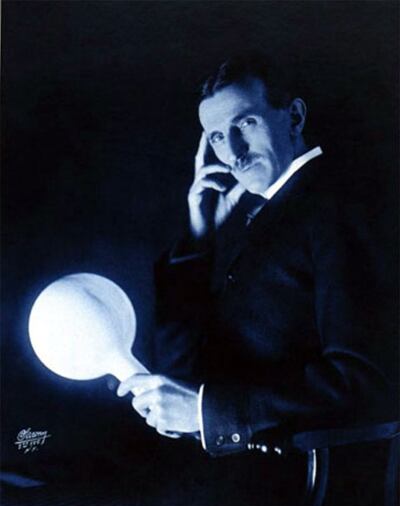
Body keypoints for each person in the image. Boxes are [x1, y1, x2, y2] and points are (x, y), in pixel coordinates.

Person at [117, 54, 397, 461]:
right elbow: (182, 370)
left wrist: (208, 411)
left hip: (300, 474)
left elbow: (364, 379)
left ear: (294, 117)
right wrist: (199, 237)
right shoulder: (258, 215)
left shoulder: (339, 208)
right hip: (233, 467)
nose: (233, 152)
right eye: (216, 137)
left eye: (245, 123)